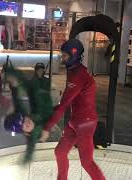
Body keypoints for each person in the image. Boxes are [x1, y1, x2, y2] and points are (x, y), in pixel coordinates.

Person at [40, 39, 105, 180]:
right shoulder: (73, 71)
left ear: (74, 55)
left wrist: (47, 127)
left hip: (85, 124)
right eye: (62, 55)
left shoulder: (78, 76)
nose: (62, 59)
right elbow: (66, 101)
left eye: (65, 55)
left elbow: (64, 104)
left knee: (87, 162)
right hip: (75, 121)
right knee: (60, 152)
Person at [2, 61, 53, 163]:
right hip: (48, 113)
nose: (27, 122)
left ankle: (11, 73)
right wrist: (25, 161)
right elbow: (30, 150)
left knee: (29, 87)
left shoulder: (24, 116)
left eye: (25, 119)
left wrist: (14, 86)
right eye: (25, 125)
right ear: (25, 132)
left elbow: (17, 102)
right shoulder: (32, 135)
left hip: (40, 101)